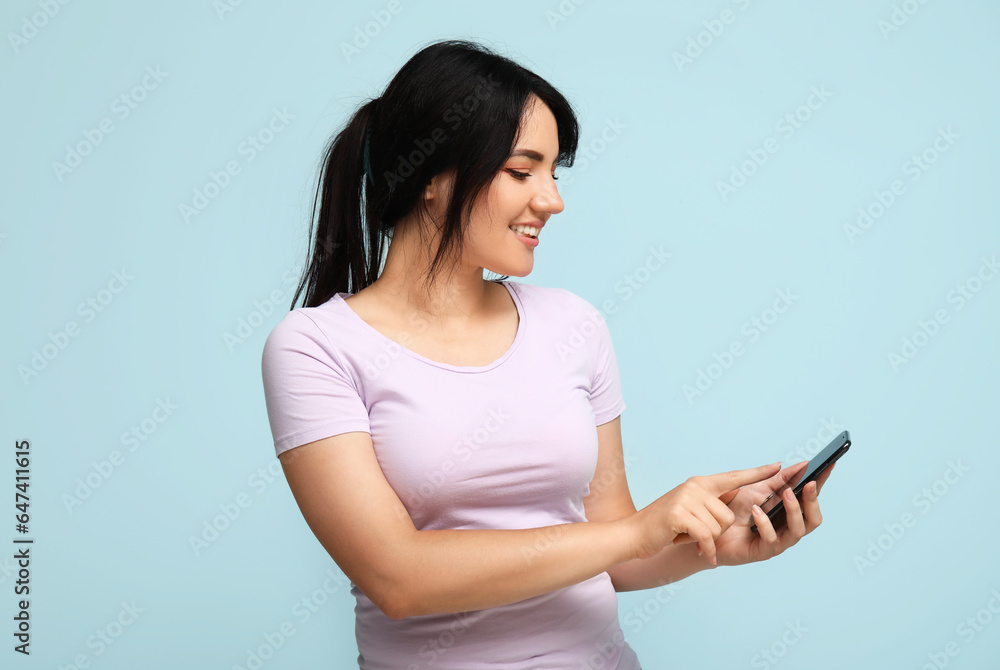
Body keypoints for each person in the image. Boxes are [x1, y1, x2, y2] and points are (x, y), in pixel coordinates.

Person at [260, 39, 835, 670]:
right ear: (430, 174)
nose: (552, 199)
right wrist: (635, 532)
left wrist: (711, 543)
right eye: (521, 171)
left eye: (553, 172)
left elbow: (614, 554)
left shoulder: (573, 325)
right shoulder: (317, 348)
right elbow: (399, 578)